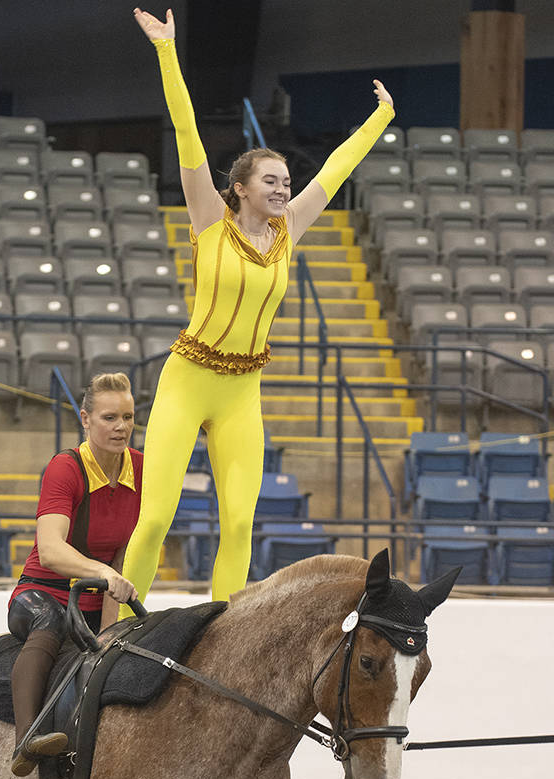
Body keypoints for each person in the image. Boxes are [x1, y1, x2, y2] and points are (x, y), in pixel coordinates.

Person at [123, 7, 395, 605]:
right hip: (188, 378)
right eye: (271, 181)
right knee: (155, 519)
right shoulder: (208, 219)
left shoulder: (291, 228)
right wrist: (167, 52)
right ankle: (113, 629)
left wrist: (381, 118)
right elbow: (186, 130)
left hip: (244, 388)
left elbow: (337, 168)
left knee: (240, 524)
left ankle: (223, 632)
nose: (284, 189)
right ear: (240, 187)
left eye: (286, 181)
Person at [8, 372, 141, 777]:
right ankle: (25, 741)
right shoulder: (65, 468)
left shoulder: (141, 470)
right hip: (40, 594)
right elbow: (50, 550)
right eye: (109, 417)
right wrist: (100, 571)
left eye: (129, 417)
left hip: (96, 602)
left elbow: (123, 556)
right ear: (85, 419)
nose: (121, 427)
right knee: (48, 621)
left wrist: (107, 632)